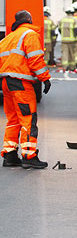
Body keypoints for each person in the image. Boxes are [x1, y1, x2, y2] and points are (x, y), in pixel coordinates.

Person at [0, 10, 51, 169]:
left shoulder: (8, 38)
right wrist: (45, 78)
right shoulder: (30, 35)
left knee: (13, 120)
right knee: (28, 119)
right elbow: (35, 59)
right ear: (29, 19)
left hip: (6, 83)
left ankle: (10, 155)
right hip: (21, 83)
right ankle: (29, 155)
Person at [58, 7, 77, 72]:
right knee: (72, 53)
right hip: (72, 40)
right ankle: (72, 67)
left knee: (65, 53)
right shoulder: (74, 20)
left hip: (64, 40)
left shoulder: (62, 19)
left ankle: (65, 67)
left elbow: (59, 29)